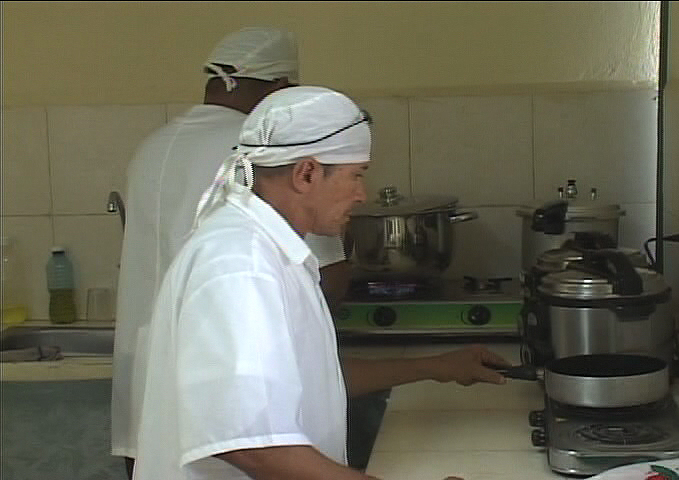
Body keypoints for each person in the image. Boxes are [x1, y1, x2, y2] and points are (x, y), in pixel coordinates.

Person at [132, 85, 511, 480]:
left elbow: (314, 380)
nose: (362, 196)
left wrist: (437, 366)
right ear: (307, 173)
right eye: (356, 176)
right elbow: (251, 445)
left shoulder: (274, 250)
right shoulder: (240, 265)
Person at [110, 27, 349, 477]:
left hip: (151, 390)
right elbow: (327, 278)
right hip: (233, 409)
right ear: (281, 91)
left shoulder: (152, 146)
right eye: (355, 176)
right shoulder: (264, 150)